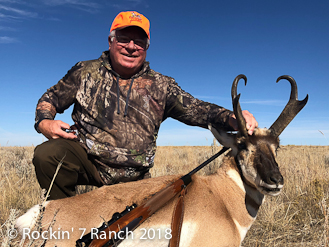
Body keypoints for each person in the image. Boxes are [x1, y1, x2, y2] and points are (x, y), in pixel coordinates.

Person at [33, 11, 258, 200]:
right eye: (124, 39)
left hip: (135, 176)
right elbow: (50, 98)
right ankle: (63, 222)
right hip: (89, 160)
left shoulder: (161, 85)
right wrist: (44, 122)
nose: (131, 47)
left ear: (146, 47)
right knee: (48, 155)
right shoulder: (85, 72)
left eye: (139, 41)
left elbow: (197, 110)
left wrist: (232, 117)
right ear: (111, 41)